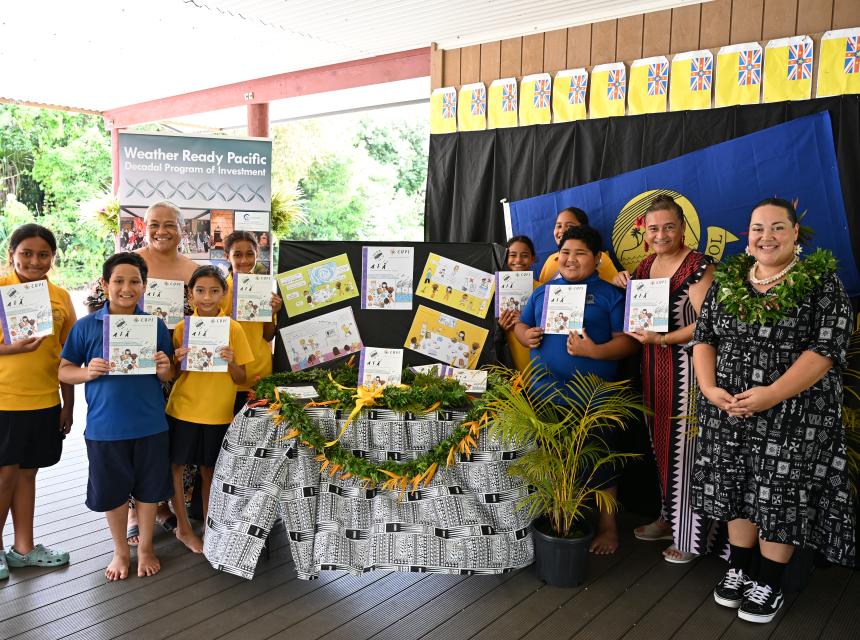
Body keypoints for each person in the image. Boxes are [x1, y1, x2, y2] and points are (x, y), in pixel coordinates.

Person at [691, 198, 854, 624]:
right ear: (747, 235)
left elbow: (825, 351)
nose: (767, 236)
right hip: (730, 410)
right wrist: (709, 388)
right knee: (738, 486)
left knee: (780, 495)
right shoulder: (728, 280)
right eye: (758, 228)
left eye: (778, 227)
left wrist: (773, 393)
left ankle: (770, 581)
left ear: (796, 233)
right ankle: (739, 569)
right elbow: (704, 338)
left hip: (793, 415)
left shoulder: (822, 283)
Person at [611, 195, 723, 564]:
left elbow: (708, 324)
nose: (661, 234)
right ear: (645, 230)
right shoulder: (644, 266)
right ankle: (669, 518)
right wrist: (620, 280)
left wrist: (663, 338)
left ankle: (691, 538)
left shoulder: (698, 265)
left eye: (668, 227)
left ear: (682, 228)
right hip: (654, 367)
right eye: (654, 228)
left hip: (691, 369)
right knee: (661, 446)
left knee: (687, 451)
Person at [515, 226, 638, 554]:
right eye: (564, 253)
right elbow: (521, 324)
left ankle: (608, 528)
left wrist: (595, 352)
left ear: (597, 259)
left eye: (580, 253)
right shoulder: (543, 292)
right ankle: (555, 521)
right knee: (549, 460)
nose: (569, 260)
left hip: (591, 399)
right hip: (544, 394)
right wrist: (524, 335)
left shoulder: (611, 295)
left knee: (601, 463)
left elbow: (628, 341)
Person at [58, 253, 174, 580]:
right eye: (119, 281)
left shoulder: (154, 325)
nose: (126, 288)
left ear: (144, 285)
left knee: (151, 490)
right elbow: (64, 371)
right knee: (113, 492)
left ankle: (147, 547)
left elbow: (166, 374)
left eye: (134, 281)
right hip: (105, 428)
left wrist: (166, 369)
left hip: (151, 424)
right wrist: (86, 372)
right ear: (105, 284)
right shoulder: (86, 326)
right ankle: (121, 550)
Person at [0, 225, 76, 580]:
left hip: (45, 401)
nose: (34, 260)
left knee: (28, 474)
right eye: (26, 253)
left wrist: (68, 404)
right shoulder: (1, 290)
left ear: (52, 258)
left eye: (43, 254)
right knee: (4, 477)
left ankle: (24, 548)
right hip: (5, 401)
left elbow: (68, 355)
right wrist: (11, 348)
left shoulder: (60, 296)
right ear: (12, 253)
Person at [167, 265, 253, 553]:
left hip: (218, 412)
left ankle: (210, 526)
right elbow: (174, 376)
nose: (206, 297)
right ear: (190, 294)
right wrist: (177, 360)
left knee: (210, 471)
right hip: (182, 409)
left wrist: (229, 361)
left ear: (224, 294)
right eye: (200, 290)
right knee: (175, 468)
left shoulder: (234, 328)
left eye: (214, 291)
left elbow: (242, 379)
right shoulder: (182, 328)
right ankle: (183, 527)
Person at [221, 231, 283, 415]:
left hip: (260, 373)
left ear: (257, 254)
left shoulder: (265, 290)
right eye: (237, 255)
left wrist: (272, 313)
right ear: (227, 257)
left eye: (250, 254)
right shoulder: (220, 291)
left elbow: (268, 335)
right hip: (229, 375)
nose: (244, 260)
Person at [538, 207, 618, 284]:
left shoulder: (601, 258)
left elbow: (613, 285)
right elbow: (542, 291)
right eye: (559, 226)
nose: (562, 230)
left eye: (570, 226)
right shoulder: (550, 260)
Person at [494, 235, 537, 371]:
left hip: (533, 356)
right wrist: (499, 326)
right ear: (506, 258)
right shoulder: (495, 289)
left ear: (533, 258)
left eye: (524, 255)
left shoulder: (543, 290)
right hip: (507, 358)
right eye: (513, 255)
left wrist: (524, 320)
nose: (518, 260)